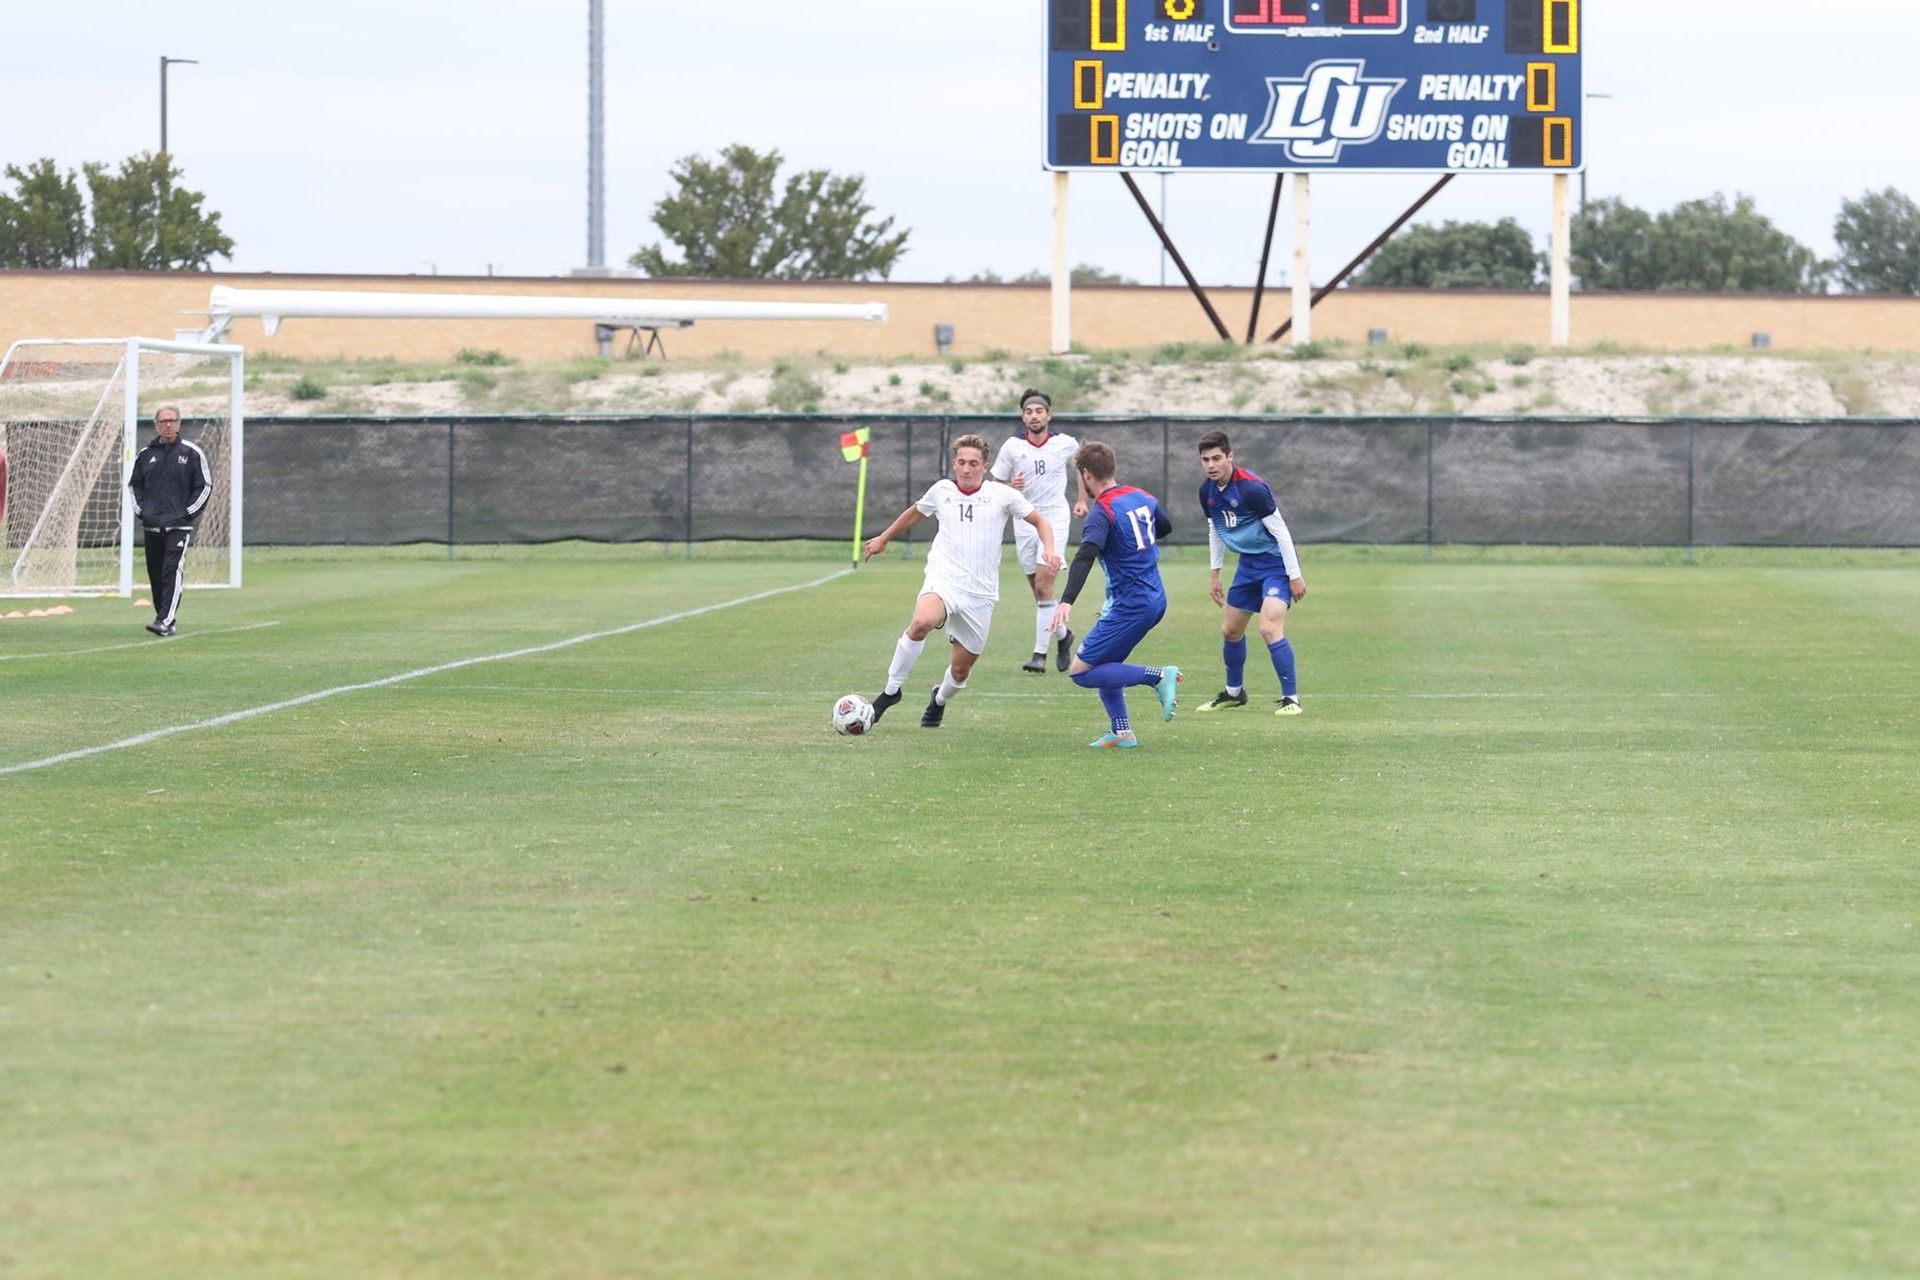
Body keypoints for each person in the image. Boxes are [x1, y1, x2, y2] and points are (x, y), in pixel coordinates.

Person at [862, 434, 1061, 728]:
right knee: (921, 621)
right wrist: (884, 538)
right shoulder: (942, 490)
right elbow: (916, 512)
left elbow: (1040, 521)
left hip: (980, 594)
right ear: (954, 463)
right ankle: (891, 692)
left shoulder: (1002, 495)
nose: (966, 469)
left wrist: (1050, 548)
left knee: (960, 672)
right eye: (961, 463)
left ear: (985, 466)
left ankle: (939, 699)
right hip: (944, 578)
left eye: (973, 463)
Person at [1048, 441, 1180, 749]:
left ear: (1085, 475)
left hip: (1132, 605)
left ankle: (1159, 676)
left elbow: (1085, 555)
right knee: (1106, 663)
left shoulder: (1102, 511)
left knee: (1080, 671)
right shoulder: (1142, 497)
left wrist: (1066, 600)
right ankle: (1122, 732)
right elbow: (1166, 527)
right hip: (1153, 597)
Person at [1193, 430, 1307, 715]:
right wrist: (1214, 573)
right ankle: (1234, 693)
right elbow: (1215, 530)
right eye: (1205, 459)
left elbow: (1281, 531)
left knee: (1269, 628)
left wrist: (1294, 575)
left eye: (1217, 458)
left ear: (1230, 456)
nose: (1211, 465)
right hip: (1247, 566)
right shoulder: (1206, 491)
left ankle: (1291, 699)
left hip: (1275, 566)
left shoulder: (1253, 488)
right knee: (1230, 631)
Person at [990, 388, 1088, 674]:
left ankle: (1038, 655)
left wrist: (1082, 499)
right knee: (1040, 592)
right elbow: (994, 485)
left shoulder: (1065, 443)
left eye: (1039, 411)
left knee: (1045, 587)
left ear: (1049, 415)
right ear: (1023, 417)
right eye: (1029, 412)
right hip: (1023, 521)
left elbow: (1083, 467)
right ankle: (1064, 635)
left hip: (1055, 520)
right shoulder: (1012, 447)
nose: (1034, 416)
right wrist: (1010, 488)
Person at [126, 405, 212, 637]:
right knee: (156, 575)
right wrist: (143, 512)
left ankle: (164, 620)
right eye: (163, 421)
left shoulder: (192, 453)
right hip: (152, 525)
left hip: (179, 525)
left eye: (172, 420)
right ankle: (165, 619)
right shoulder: (145, 455)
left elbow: (204, 486)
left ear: (179, 423)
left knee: (171, 570)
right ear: (156, 424)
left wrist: (187, 513)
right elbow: (135, 486)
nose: (168, 425)